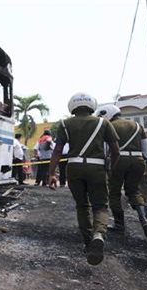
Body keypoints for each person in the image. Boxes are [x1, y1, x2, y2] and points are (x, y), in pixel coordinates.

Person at [48, 92, 120, 265]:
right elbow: (115, 150)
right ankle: (99, 235)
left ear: (72, 106)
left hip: (74, 168)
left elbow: (57, 151)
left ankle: (89, 243)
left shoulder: (65, 123)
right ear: (92, 106)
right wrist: (110, 169)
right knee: (100, 206)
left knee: (82, 205)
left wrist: (51, 173)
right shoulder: (104, 123)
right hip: (97, 168)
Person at [96, 104, 147, 239]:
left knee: (114, 192)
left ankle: (119, 225)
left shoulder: (108, 126)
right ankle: (144, 220)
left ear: (107, 115)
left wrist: (105, 163)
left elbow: (106, 148)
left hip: (118, 160)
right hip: (137, 160)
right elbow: (145, 146)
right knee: (134, 190)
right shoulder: (136, 125)